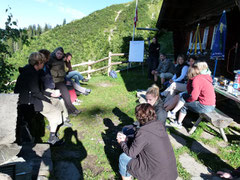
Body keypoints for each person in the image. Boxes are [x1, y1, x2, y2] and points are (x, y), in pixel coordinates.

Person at [117, 103, 178, 180]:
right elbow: (146, 141)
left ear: (138, 117)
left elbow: (131, 153)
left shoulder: (143, 132)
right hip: (171, 174)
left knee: (123, 158)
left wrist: (122, 142)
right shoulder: (159, 125)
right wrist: (127, 139)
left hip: (156, 176)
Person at [14, 52, 63, 144]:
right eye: (43, 63)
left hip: (25, 101)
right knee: (55, 112)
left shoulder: (28, 71)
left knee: (55, 102)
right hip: (29, 103)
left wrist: (50, 95)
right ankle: (52, 139)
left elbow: (39, 90)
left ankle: (54, 130)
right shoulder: (32, 74)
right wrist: (48, 101)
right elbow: (36, 93)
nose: (43, 64)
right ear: (39, 63)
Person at [169, 64, 216, 129]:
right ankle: (174, 115)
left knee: (184, 103)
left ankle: (175, 118)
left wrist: (187, 101)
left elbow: (194, 97)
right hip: (211, 105)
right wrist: (189, 81)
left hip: (206, 106)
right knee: (184, 97)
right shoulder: (201, 78)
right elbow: (189, 92)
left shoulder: (196, 80)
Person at [39, 49, 72, 127]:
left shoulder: (46, 66)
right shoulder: (40, 69)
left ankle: (64, 118)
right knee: (58, 101)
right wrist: (50, 92)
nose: (49, 58)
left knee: (61, 100)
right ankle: (58, 122)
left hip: (50, 87)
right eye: (48, 57)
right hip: (45, 90)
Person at [47, 47, 81, 116]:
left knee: (66, 96)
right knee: (66, 95)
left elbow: (63, 71)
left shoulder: (61, 61)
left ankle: (70, 111)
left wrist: (66, 80)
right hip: (54, 82)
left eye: (61, 54)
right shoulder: (50, 60)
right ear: (55, 52)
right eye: (58, 53)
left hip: (61, 81)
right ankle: (73, 110)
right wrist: (57, 74)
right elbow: (48, 71)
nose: (59, 55)